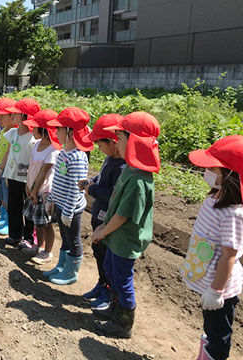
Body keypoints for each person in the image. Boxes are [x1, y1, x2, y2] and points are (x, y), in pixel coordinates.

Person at [92, 111, 160, 339]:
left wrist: (102, 230)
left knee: (122, 280)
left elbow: (123, 215)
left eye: (120, 138)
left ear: (134, 142)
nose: (117, 144)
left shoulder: (140, 179)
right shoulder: (130, 169)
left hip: (125, 238)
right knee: (112, 272)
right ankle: (114, 310)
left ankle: (123, 323)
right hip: (116, 237)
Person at [182, 135, 243, 360]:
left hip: (221, 289)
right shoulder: (216, 195)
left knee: (219, 336)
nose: (207, 172)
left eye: (213, 168)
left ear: (230, 175)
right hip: (210, 281)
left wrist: (216, 291)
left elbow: (229, 254)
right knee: (211, 329)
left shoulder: (233, 213)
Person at [79, 114, 126, 311]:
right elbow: (101, 176)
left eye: (100, 143)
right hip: (98, 217)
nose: (98, 147)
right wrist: (92, 181)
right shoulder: (109, 159)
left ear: (114, 142)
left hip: (108, 221)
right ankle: (101, 283)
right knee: (99, 254)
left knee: (108, 259)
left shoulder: (123, 167)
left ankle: (109, 293)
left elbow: (114, 196)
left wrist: (92, 190)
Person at [43, 107, 93, 285]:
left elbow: (75, 188)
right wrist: (51, 200)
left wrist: (69, 212)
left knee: (73, 240)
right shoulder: (64, 152)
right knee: (64, 238)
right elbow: (57, 180)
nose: (56, 132)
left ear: (70, 132)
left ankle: (71, 272)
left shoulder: (78, 157)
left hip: (71, 208)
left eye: (59, 129)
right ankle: (61, 266)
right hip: (60, 204)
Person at [0, 98, 39, 247]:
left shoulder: (33, 138)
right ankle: (15, 235)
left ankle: (29, 238)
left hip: (27, 180)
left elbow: (34, 161)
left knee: (29, 210)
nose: (11, 116)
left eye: (15, 113)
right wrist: (1, 169)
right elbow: (8, 151)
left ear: (25, 116)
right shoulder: (12, 133)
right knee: (14, 206)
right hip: (12, 175)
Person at [20, 109, 61, 263]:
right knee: (37, 222)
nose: (32, 129)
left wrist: (35, 190)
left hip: (44, 192)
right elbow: (32, 167)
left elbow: (44, 172)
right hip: (33, 190)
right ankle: (39, 247)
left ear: (44, 130)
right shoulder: (36, 144)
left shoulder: (53, 150)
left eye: (35, 127)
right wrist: (28, 186)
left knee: (46, 223)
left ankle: (48, 252)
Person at [0, 98, 17, 235]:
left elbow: (9, 154)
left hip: (6, 169)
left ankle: (8, 223)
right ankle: (2, 218)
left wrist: (1, 167)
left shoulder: (14, 133)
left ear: (12, 116)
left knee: (7, 197)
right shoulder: (3, 130)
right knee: (0, 195)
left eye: (2, 116)